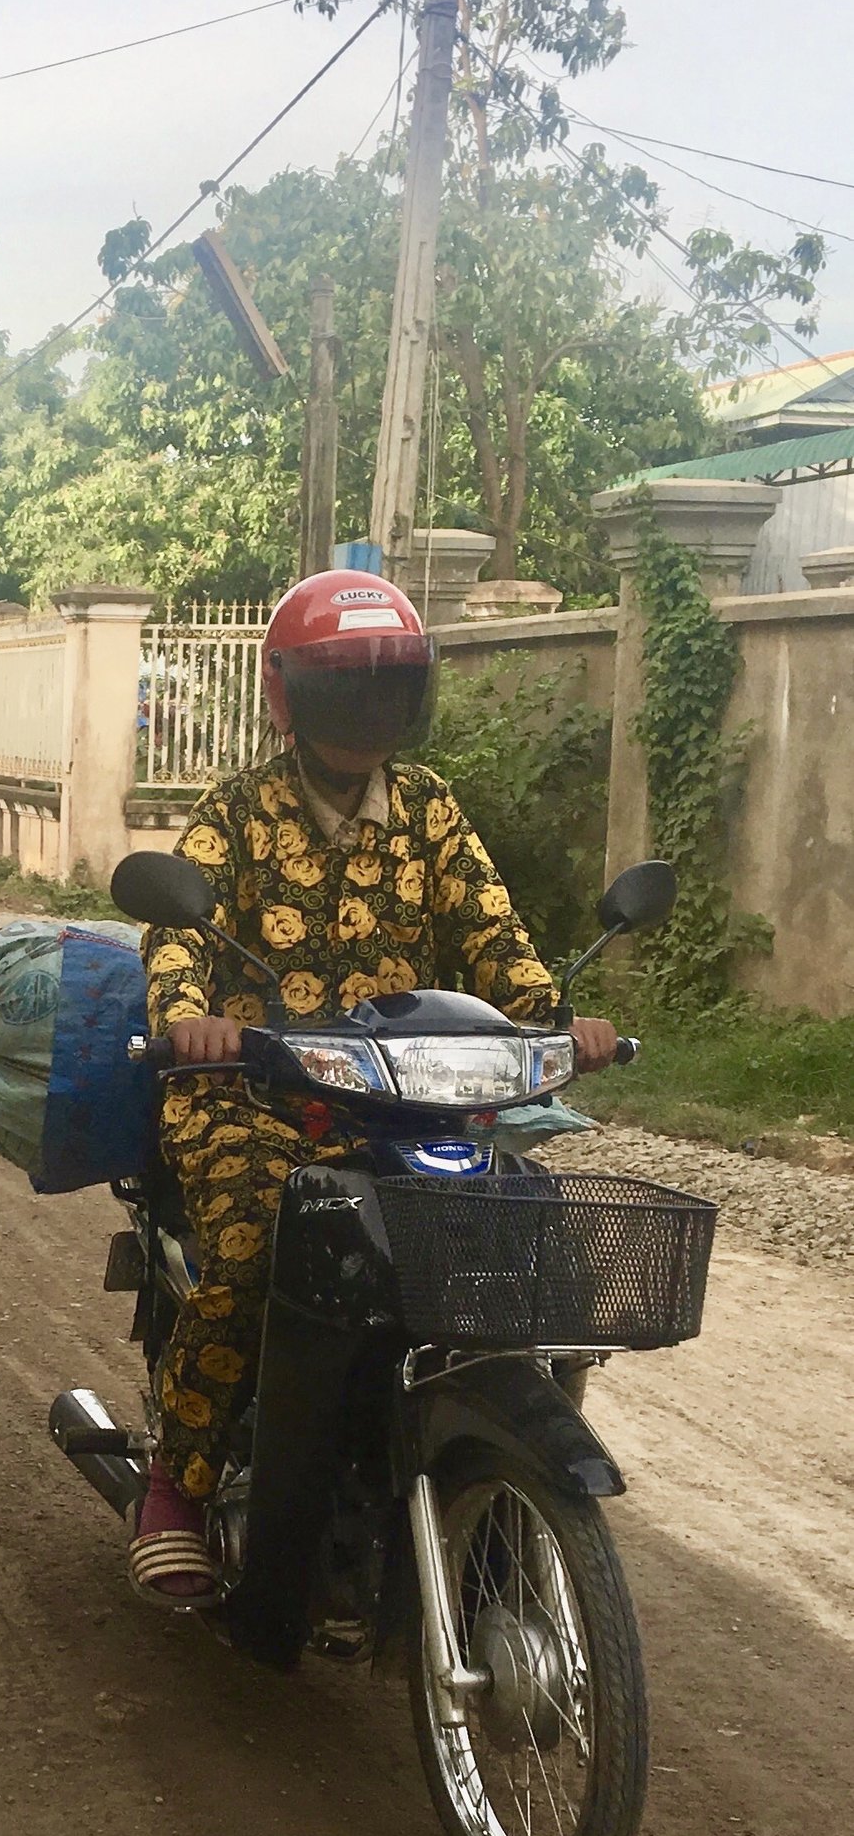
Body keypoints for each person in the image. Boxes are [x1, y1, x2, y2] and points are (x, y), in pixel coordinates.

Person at [128, 568, 620, 1607]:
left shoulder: (430, 809)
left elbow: (494, 934)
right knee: (254, 1246)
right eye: (343, 684)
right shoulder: (237, 813)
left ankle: (501, 1455)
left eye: (386, 684)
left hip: (406, 1096)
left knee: (522, 1247)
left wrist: (556, 1017)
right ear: (287, 694)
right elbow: (177, 936)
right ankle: (178, 1482)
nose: (366, 707)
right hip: (251, 1096)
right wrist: (190, 1018)